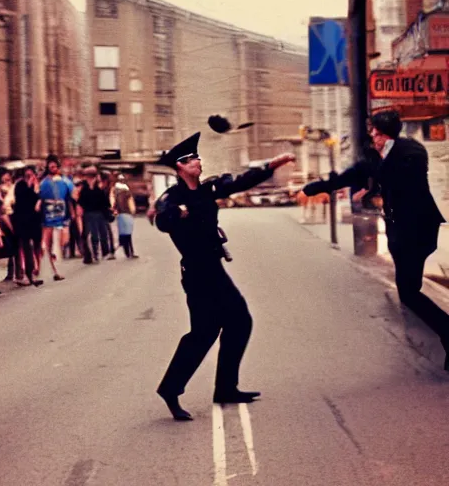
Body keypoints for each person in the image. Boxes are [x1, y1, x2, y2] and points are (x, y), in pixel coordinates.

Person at [154, 131, 296, 421]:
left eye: (197, 157)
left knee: (240, 321)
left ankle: (226, 388)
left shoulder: (208, 189)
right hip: (196, 273)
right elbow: (161, 220)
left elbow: (240, 181)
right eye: (191, 159)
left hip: (214, 269)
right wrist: (177, 213)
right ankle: (171, 389)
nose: (197, 161)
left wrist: (271, 166)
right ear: (180, 167)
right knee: (203, 333)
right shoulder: (173, 197)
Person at [298, 110, 449, 371]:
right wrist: (317, 187)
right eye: (372, 133)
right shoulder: (374, 157)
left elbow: (403, 178)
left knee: (409, 291)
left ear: (386, 134)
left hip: (419, 228)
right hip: (399, 230)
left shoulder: (411, 151)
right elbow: (349, 176)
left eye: (376, 133)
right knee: (408, 292)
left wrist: (375, 175)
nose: (372, 137)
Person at [39, 155, 75, 281]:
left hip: (62, 215)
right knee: (48, 244)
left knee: (61, 242)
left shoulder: (65, 181)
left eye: (54, 166)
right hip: (47, 216)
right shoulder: (43, 182)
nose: (52, 168)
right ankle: (55, 271)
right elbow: (39, 197)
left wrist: (73, 211)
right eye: (50, 167)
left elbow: (72, 196)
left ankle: (57, 267)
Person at [13, 165, 44, 287]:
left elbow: (40, 199)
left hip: (35, 220)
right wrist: (32, 189)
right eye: (27, 175)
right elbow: (22, 200)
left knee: (37, 246)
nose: (30, 177)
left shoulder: (37, 186)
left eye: (31, 175)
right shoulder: (20, 185)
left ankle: (37, 271)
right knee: (26, 247)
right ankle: (28, 274)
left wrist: (37, 192)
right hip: (23, 220)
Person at [110, 174, 138, 259]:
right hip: (123, 213)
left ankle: (129, 252)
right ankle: (129, 252)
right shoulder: (120, 190)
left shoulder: (119, 190)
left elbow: (114, 201)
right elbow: (114, 200)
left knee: (126, 233)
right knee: (126, 233)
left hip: (123, 213)